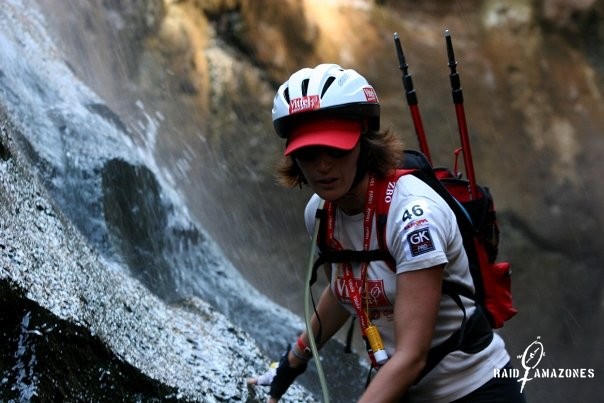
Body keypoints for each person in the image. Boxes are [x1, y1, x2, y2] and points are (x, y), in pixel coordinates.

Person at [250, 63, 526, 402]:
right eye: (308, 153)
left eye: (336, 148)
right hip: (404, 390)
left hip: (476, 390)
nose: (322, 165)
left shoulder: (413, 216)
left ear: (365, 144)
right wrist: (292, 363)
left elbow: (411, 357)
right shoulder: (319, 213)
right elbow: (344, 289)